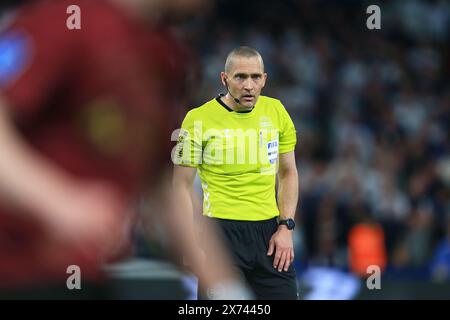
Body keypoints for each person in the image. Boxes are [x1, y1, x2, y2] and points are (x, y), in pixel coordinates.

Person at [0, 0, 246, 299]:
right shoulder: (64, 19)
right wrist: (59, 202)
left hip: (92, 279)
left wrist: (230, 294)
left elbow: (166, 186)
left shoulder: (165, 54)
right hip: (19, 277)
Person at [174, 46, 300, 299]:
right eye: (240, 77)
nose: (249, 85)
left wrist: (286, 228)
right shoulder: (197, 119)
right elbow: (180, 186)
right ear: (224, 78)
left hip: (270, 236)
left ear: (264, 79)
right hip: (220, 237)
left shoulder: (276, 112)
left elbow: (288, 173)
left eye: (255, 77)